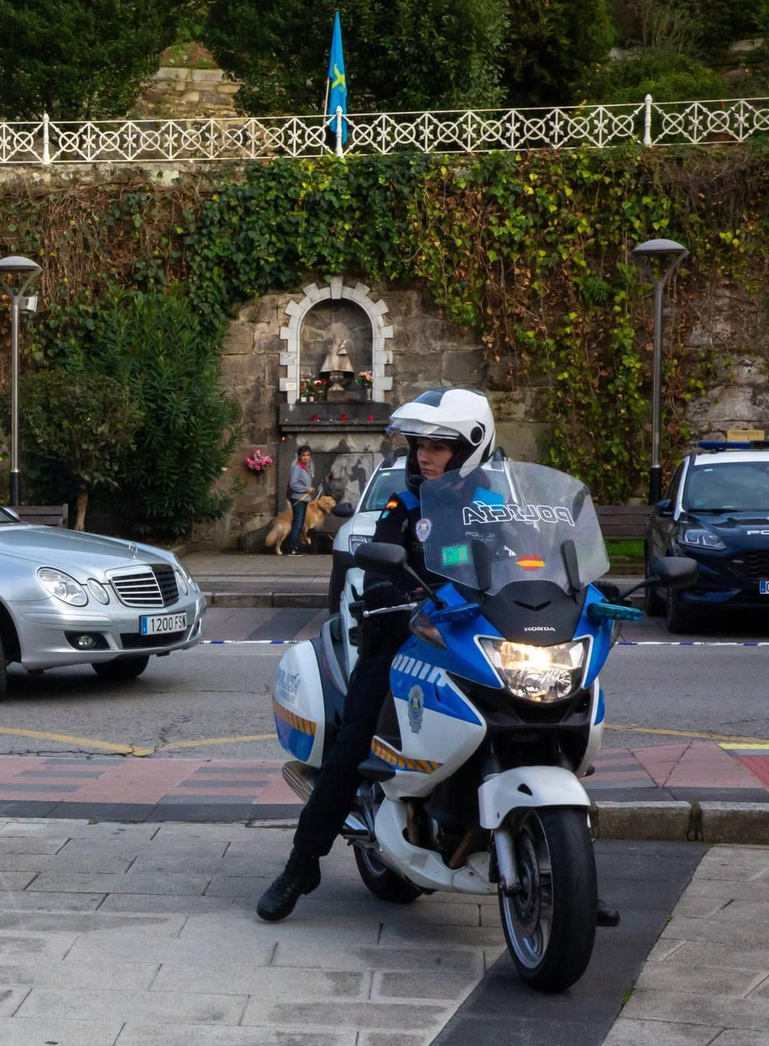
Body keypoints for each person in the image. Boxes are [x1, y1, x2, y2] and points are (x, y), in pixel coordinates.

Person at [255, 388, 620, 929]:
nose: (423, 455)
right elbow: (379, 558)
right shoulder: (408, 504)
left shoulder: (504, 502)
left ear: (473, 446)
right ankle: (302, 863)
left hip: (476, 634)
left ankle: (569, 879)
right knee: (354, 741)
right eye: (420, 444)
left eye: (439, 446)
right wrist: (381, 588)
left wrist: (577, 584)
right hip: (402, 635)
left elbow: (536, 555)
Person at [281, 446, 315, 555]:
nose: (306, 458)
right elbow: (293, 484)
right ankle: (292, 549)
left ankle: (295, 547)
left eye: (308, 455)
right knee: (297, 524)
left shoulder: (305, 468)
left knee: (300, 524)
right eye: (303, 455)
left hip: (304, 499)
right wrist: (306, 489)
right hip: (298, 498)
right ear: (299, 457)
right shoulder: (297, 468)